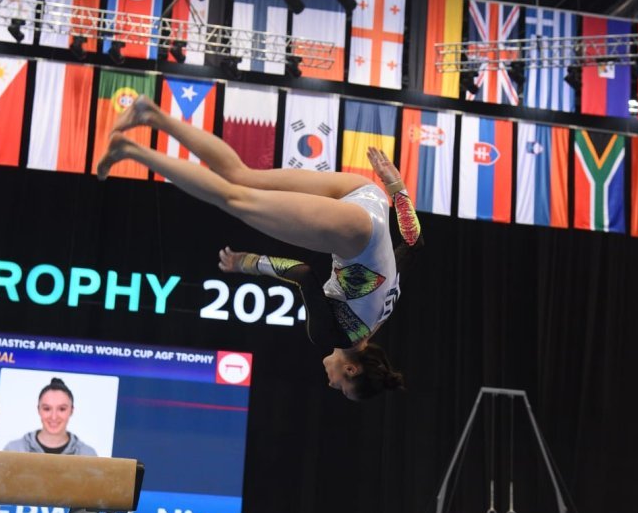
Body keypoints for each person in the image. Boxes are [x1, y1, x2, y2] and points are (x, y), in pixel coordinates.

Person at [97, 95, 424, 401]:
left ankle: (150, 114)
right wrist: (247, 263)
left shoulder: (380, 317)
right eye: (340, 386)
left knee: (240, 176)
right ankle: (130, 149)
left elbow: (413, 243)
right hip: (353, 230)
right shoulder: (335, 338)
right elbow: (302, 273)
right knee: (232, 198)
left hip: (369, 197)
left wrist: (395, 187)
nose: (331, 382)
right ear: (351, 370)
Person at [3, 377, 97, 455]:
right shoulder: (13, 450)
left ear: (71, 411)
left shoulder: (87, 455)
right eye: (47, 409)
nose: (54, 417)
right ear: (38, 410)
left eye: (62, 409)